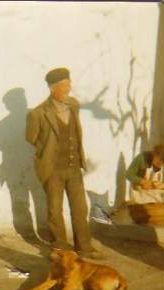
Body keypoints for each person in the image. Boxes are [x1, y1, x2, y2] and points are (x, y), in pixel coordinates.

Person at [25, 67, 102, 259]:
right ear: (52, 88)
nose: (68, 89)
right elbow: (31, 138)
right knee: (55, 210)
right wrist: (50, 150)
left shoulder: (73, 105)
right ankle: (60, 248)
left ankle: (84, 247)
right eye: (64, 86)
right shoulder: (38, 113)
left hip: (74, 167)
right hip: (52, 170)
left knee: (80, 208)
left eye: (69, 84)